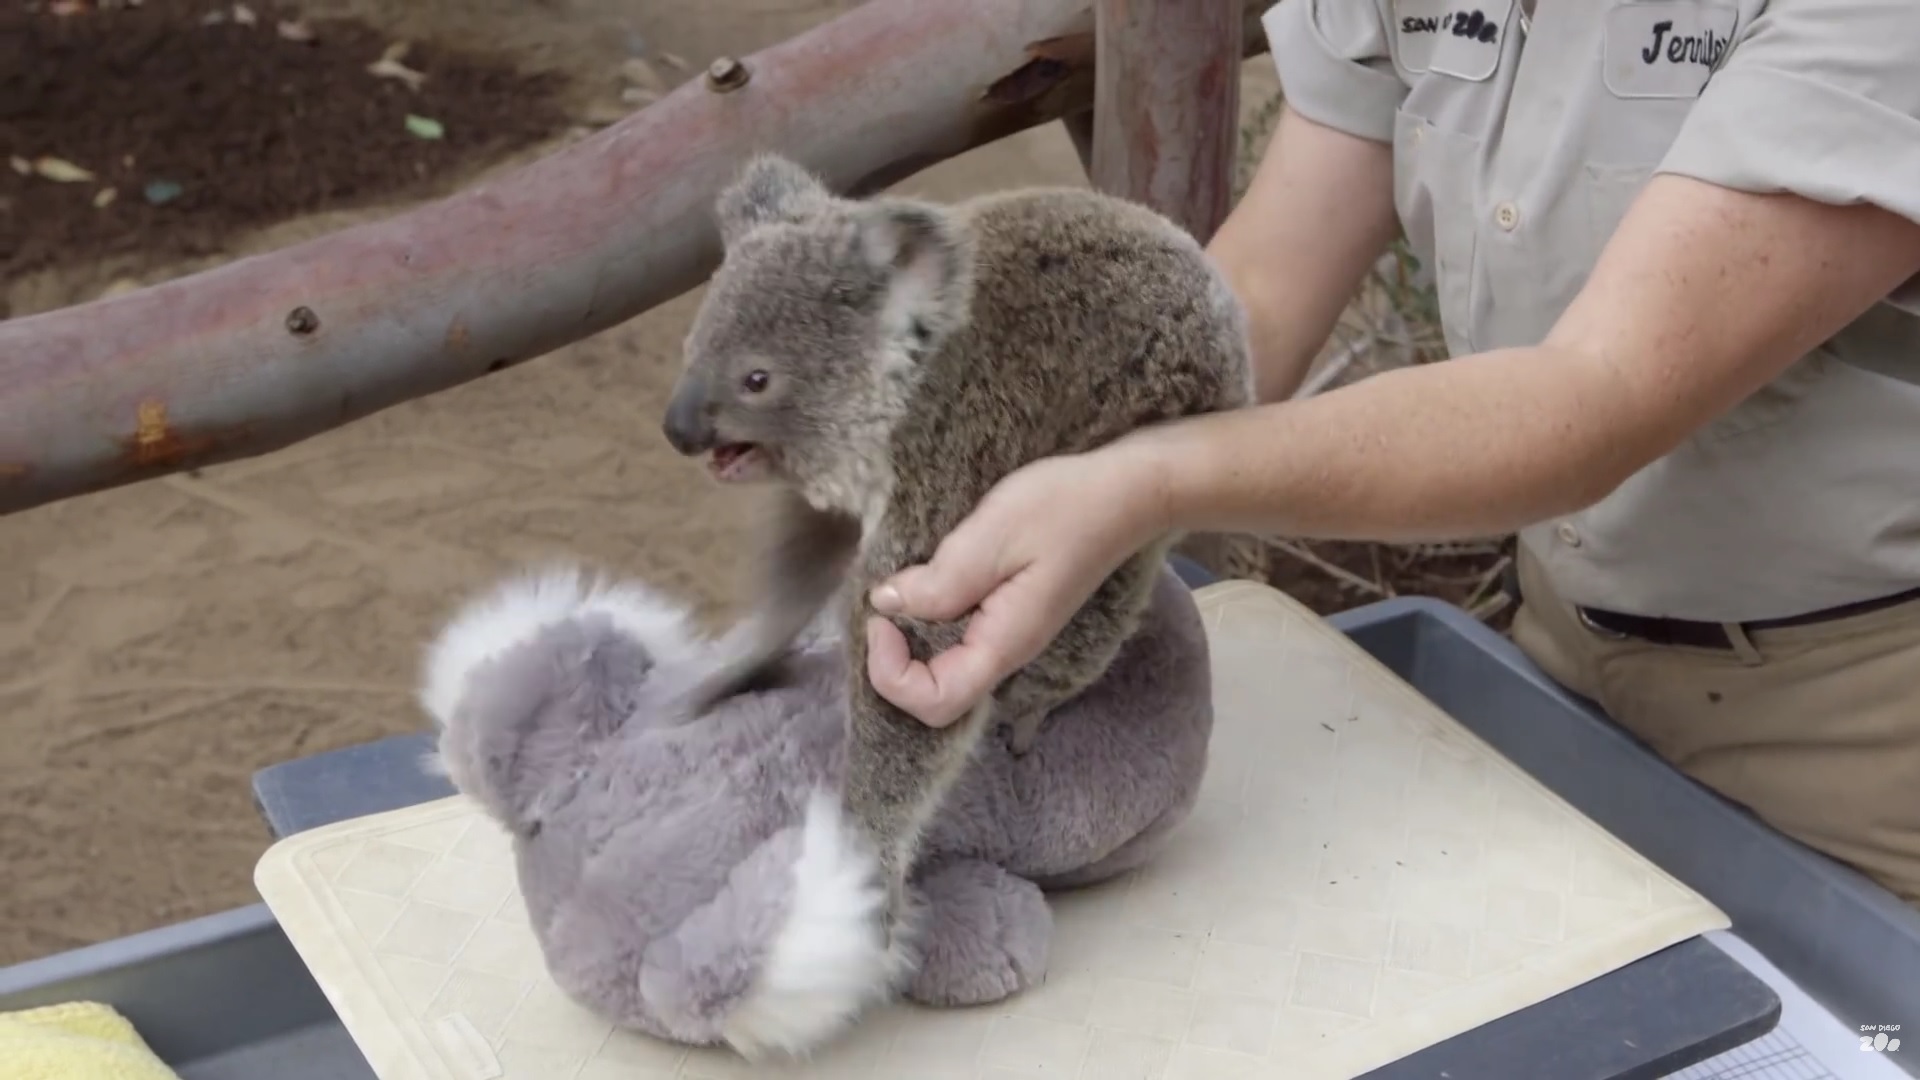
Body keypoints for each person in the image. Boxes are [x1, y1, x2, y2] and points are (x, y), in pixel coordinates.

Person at [859, 0, 1920, 907]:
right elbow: (1263, 292)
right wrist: (1011, 462)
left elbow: (1596, 403)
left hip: (1869, 723)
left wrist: (1140, 483)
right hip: (1565, 652)